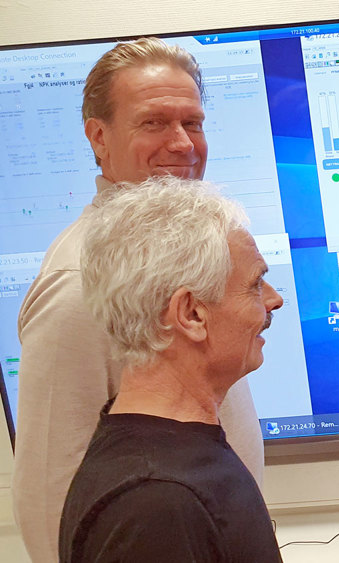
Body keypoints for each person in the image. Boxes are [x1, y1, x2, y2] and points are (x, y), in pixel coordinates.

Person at [14, 37, 265, 562]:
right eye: (154, 123)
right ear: (98, 136)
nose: (181, 144)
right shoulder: (79, 279)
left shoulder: (183, 245)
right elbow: (50, 493)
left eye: (192, 123)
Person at [60, 177, 283, 561]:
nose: (274, 300)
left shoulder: (174, 461)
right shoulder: (155, 504)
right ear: (192, 314)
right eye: (255, 285)